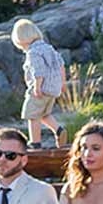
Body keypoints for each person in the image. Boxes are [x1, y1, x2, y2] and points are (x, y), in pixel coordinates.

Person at [10, 18, 64, 150]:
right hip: (53, 89)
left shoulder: (33, 52)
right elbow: (61, 65)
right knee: (44, 114)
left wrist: (37, 87)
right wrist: (62, 83)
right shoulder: (48, 48)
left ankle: (35, 143)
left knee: (32, 115)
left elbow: (38, 71)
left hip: (40, 89)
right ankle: (58, 130)